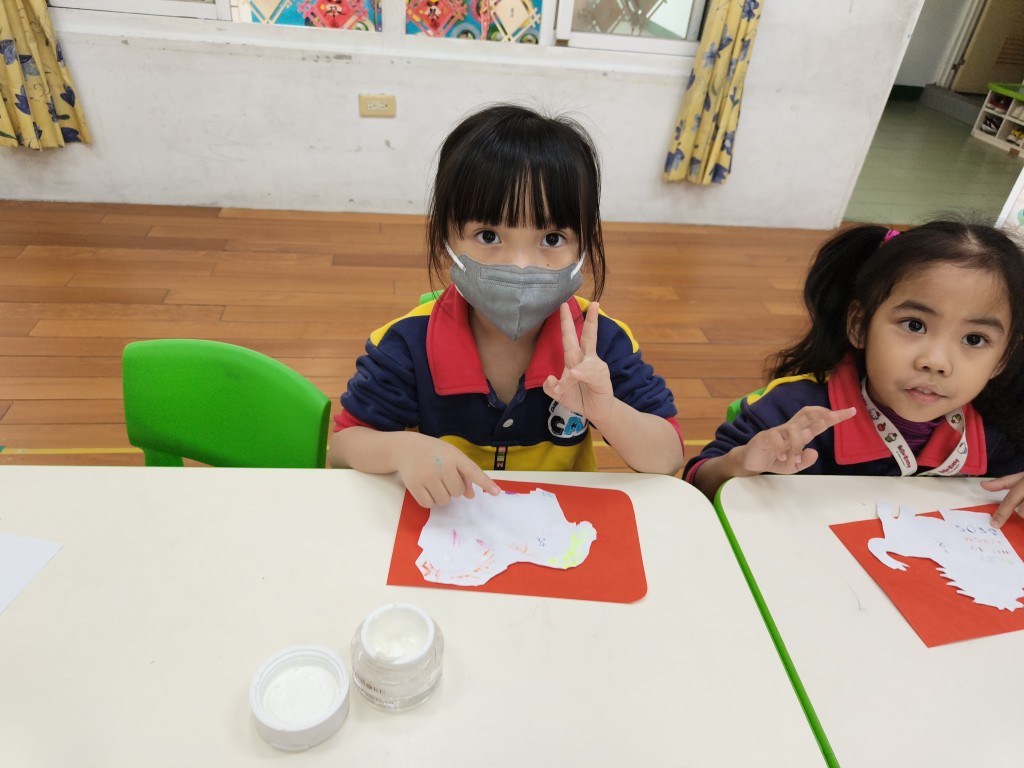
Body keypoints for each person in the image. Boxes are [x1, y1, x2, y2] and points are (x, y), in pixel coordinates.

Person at [329, 103, 684, 507]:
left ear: (583, 246)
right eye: (488, 235)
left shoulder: (599, 341)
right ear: (446, 239)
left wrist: (608, 411)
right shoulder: (409, 342)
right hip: (449, 522)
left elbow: (668, 456)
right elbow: (343, 446)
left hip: (560, 525)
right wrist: (401, 450)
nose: (520, 265)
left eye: (551, 239)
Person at [685, 220, 1024, 527]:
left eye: (974, 339)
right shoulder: (794, 412)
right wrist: (741, 464)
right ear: (860, 326)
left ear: (1002, 358)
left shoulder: (1001, 426)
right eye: (914, 325)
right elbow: (697, 484)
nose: (936, 361)